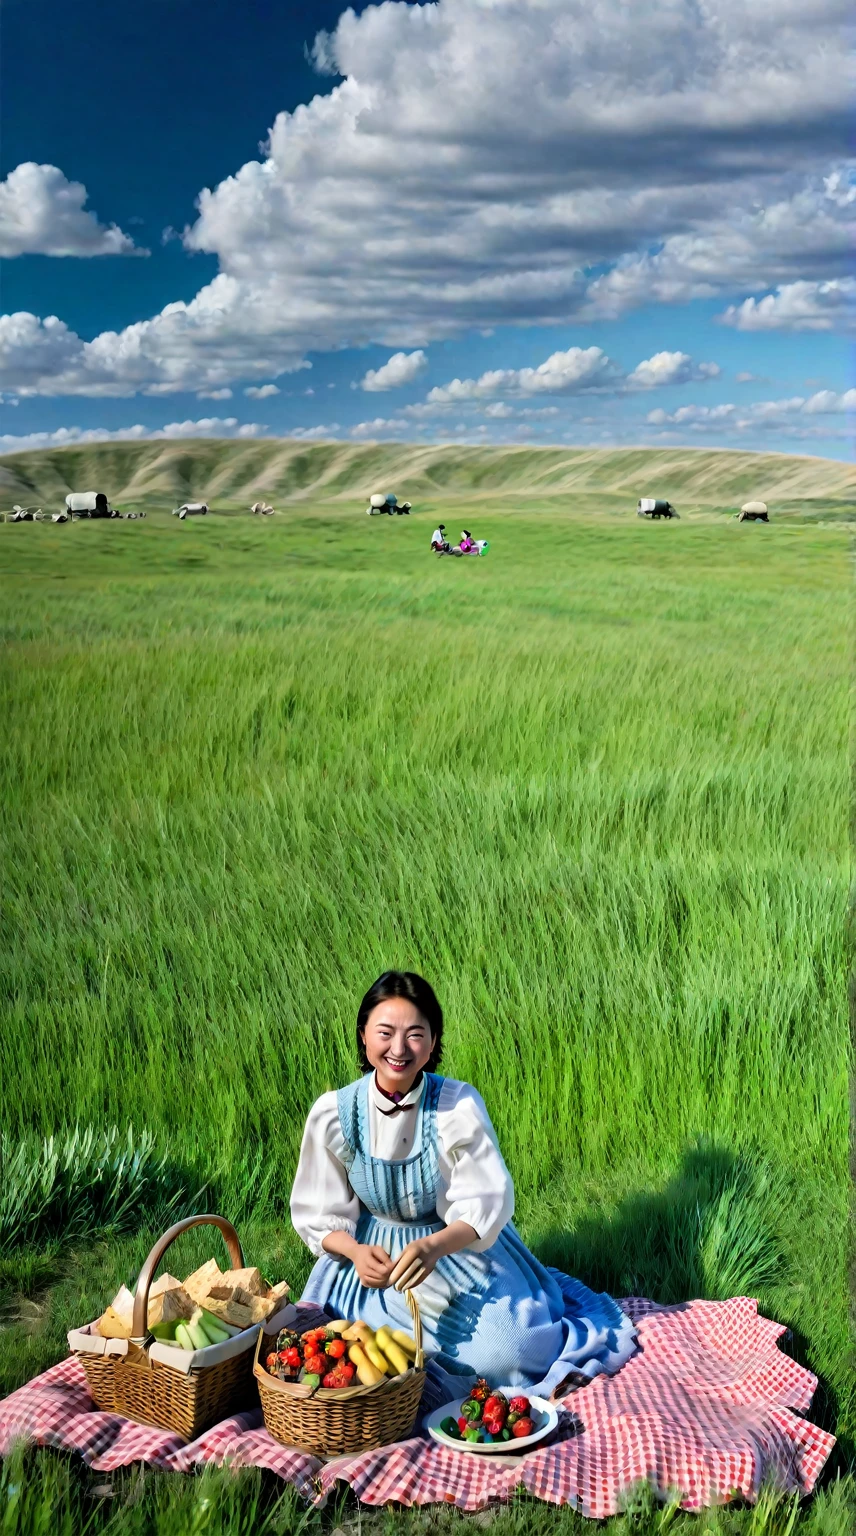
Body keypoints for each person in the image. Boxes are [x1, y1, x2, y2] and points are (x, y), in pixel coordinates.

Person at [292, 971, 637, 1397]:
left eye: (415, 1034)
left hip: (457, 1251)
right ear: (363, 1036)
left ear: (433, 1041)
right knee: (338, 1348)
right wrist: (355, 1252)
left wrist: (433, 1246)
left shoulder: (456, 1106)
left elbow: (485, 1201)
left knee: (508, 1354)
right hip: (372, 1266)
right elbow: (317, 1210)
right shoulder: (335, 1113)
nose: (399, 1049)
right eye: (385, 1032)